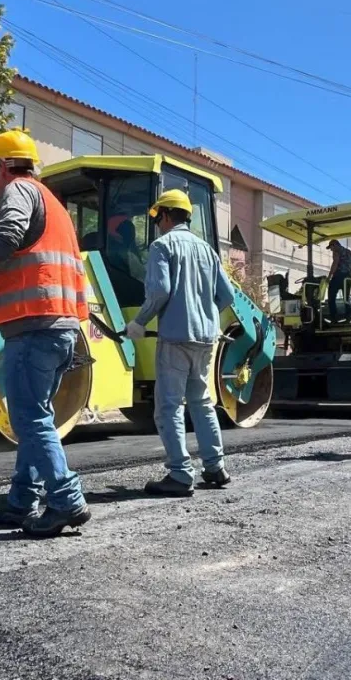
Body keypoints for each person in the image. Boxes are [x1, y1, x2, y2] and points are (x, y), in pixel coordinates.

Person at [0, 129, 91, 538]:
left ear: (2, 166)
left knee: (29, 418)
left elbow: (7, 235)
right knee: (36, 416)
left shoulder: (19, 190)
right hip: (59, 326)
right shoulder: (54, 204)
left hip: (36, 328)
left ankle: (65, 500)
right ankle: (22, 499)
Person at [124, 189, 235, 497]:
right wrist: (205, 315)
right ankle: (215, 468)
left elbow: (159, 291)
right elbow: (226, 296)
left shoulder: (162, 246)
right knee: (201, 403)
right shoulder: (208, 250)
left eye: (157, 217)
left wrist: (139, 322)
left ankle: (180, 474)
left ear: (166, 215)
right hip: (206, 339)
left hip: (175, 339)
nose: (157, 224)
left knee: (169, 407)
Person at [326, 239, 351, 323]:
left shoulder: (336, 251)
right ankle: (348, 317)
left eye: (331, 247)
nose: (331, 250)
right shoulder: (350, 252)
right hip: (347, 278)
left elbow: (335, 263)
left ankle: (333, 318)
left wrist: (329, 277)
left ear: (335, 245)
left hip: (338, 276)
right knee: (346, 298)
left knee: (331, 297)